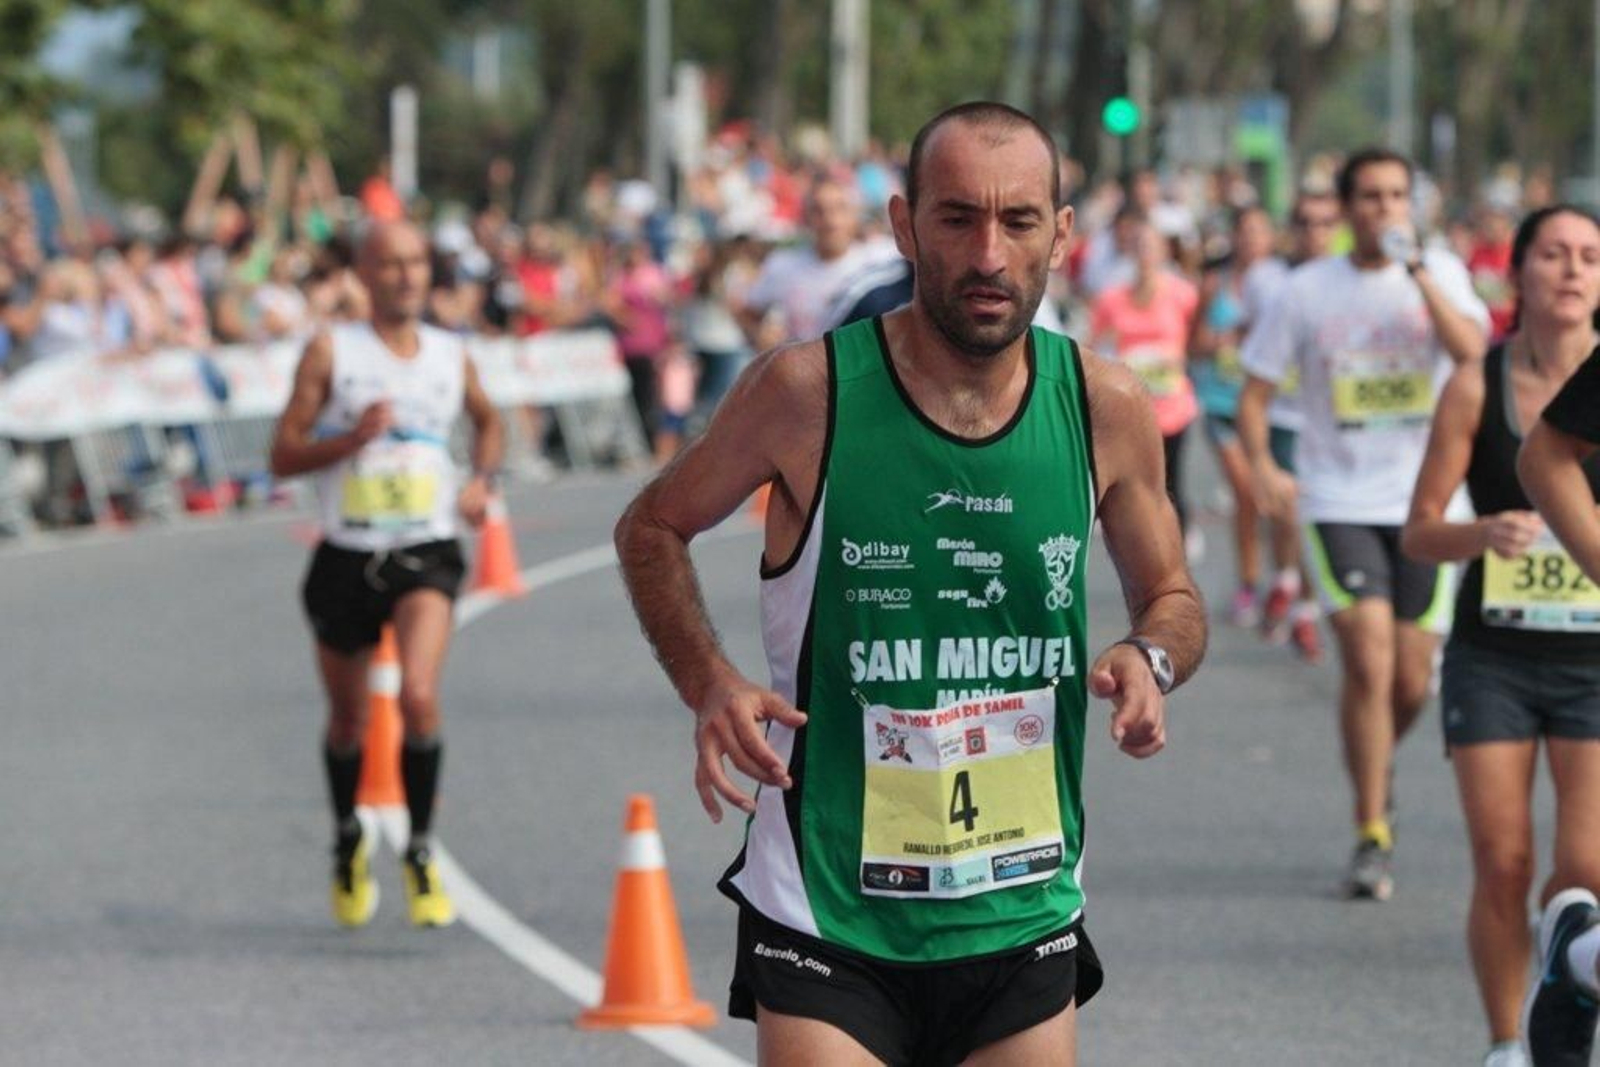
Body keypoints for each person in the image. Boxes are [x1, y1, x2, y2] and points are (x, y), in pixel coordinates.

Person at [614, 101, 1205, 1066]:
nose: (987, 254)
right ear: (903, 225)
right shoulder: (808, 394)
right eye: (956, 217)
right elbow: (651, 525)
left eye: (1018, 222)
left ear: (1060, 235)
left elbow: (1173, 597)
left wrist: (1150, 658)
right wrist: (709, 682)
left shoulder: (1107, 405)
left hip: (1021, 902)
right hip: (828, 909)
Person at [1237, 147, 1489, 902]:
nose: (1385, 210)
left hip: (1430, 503)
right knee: (1370, 661)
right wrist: (1263, 467)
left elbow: (1475, 353)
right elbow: (1253, 394)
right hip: (1339, 497)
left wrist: (1417, 276)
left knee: (1411, 677)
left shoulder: (1439, 273)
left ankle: (1375, 768)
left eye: (1396, 197)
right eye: (1371, 198)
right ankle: (1371, 825)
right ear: (1346, 211)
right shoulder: (1306, 290)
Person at [1401, 205, 1600, 1067]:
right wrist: (1481, 534)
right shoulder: (1478, 384)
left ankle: (1568, 975)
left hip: (1591, 656)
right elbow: (1417, 530)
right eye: (1553, 254)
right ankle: (1505, 1041)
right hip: (1495, 653)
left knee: (1584, 869)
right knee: (1506, 857)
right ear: (1516, 271)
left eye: (1590, 257)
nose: (1572, 271)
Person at [269, 221, 502, 928]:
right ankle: (347, 838)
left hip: (426, 549)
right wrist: (349, 440)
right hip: (345, 552)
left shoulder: (449, 352)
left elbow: (490, 422)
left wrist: (481, 480)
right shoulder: (331, 351)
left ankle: (421, 849)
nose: (405, 275)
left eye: (415, 262)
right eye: (390, 264)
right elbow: (281, 454)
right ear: (364, 274)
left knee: (420, 696)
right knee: (348, 719)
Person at [1190, 206, 1288, 627]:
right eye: (1243, 231)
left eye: (1258, 231)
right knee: (1247, 493)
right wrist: (1229, 339)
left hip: (1269, 406)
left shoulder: (1285, 285)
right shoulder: (1216, 285)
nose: (1250, 239)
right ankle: (1249, 583)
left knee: (1275, 501)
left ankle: (1285, 581)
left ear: (1270, 237)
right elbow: (1194, 345)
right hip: (1222, 403)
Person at [1089, 215, 1200, 538]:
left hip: (1174, 406)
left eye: (1151, 246)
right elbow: (1093, 346)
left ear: (1164, 252)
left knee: (1172, 480)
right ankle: (1144, 545)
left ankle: (1179, 541)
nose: (1145, 252)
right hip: (1132, 408)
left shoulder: (1183, 294)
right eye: (1139, 245)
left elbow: (1197, 338)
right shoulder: (1112, 299)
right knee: (1137, 484)